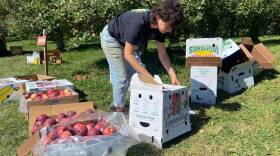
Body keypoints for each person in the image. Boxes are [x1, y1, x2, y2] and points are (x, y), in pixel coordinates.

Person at [100, 0, 183, 112]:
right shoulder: (138, 23)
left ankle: (123, 102)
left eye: (172, 27)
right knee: (121, 78)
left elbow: (162, 54)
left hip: (127, 42)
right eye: (168, 26)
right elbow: (128, 55)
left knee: (137, 74)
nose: (170, 30)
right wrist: (148, 75)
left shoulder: (160, 28)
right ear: (158, 17)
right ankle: (117, 110)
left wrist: (173, 75)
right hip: (112, 38)